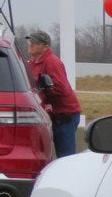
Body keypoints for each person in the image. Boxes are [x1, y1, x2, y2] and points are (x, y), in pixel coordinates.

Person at [24, 30, 82, 158]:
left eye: (35, 42)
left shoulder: (52, 62)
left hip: (65, 114)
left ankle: (68, 176)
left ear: (45, 47)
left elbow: (61, 88)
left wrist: (41, 90)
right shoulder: (32, 63)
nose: (31, 44)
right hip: (51, 115)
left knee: (66, 156)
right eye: (30, 41)